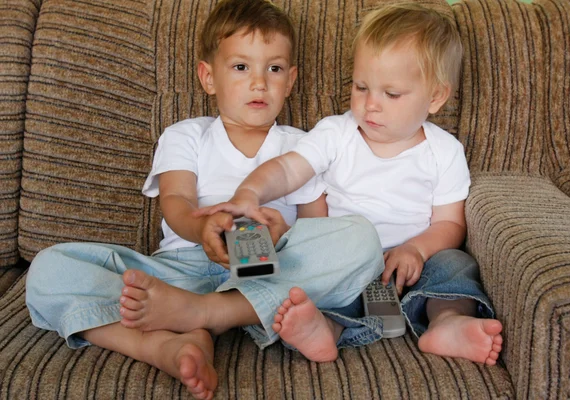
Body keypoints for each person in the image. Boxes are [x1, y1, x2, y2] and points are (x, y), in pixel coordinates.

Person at [24, 1, 384, 399]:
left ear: (292, 79)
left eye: (275, 68)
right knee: (48, 269)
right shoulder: (185, 135)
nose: (260, 83)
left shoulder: (304, 146)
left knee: (361, 240)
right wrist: (202, 228)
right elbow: (176, 202)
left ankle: (209, 315)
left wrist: (285, 234)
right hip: (178, 272)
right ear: (208, 76)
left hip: (268, 271)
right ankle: (162, 345)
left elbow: (320, 228)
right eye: (241, 67)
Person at [199, 3, 504, 366]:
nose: (370, 105)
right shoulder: (336, 133)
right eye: (361, 87)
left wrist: (417, 251)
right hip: (348, 269)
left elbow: (451, 224)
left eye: (391, 94)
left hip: (412, 269)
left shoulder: (445, 152)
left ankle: (448, 321)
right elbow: (287, 170)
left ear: (435, 97)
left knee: (455, 264)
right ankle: (326, 330)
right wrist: (250, 193)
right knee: (307, 294)